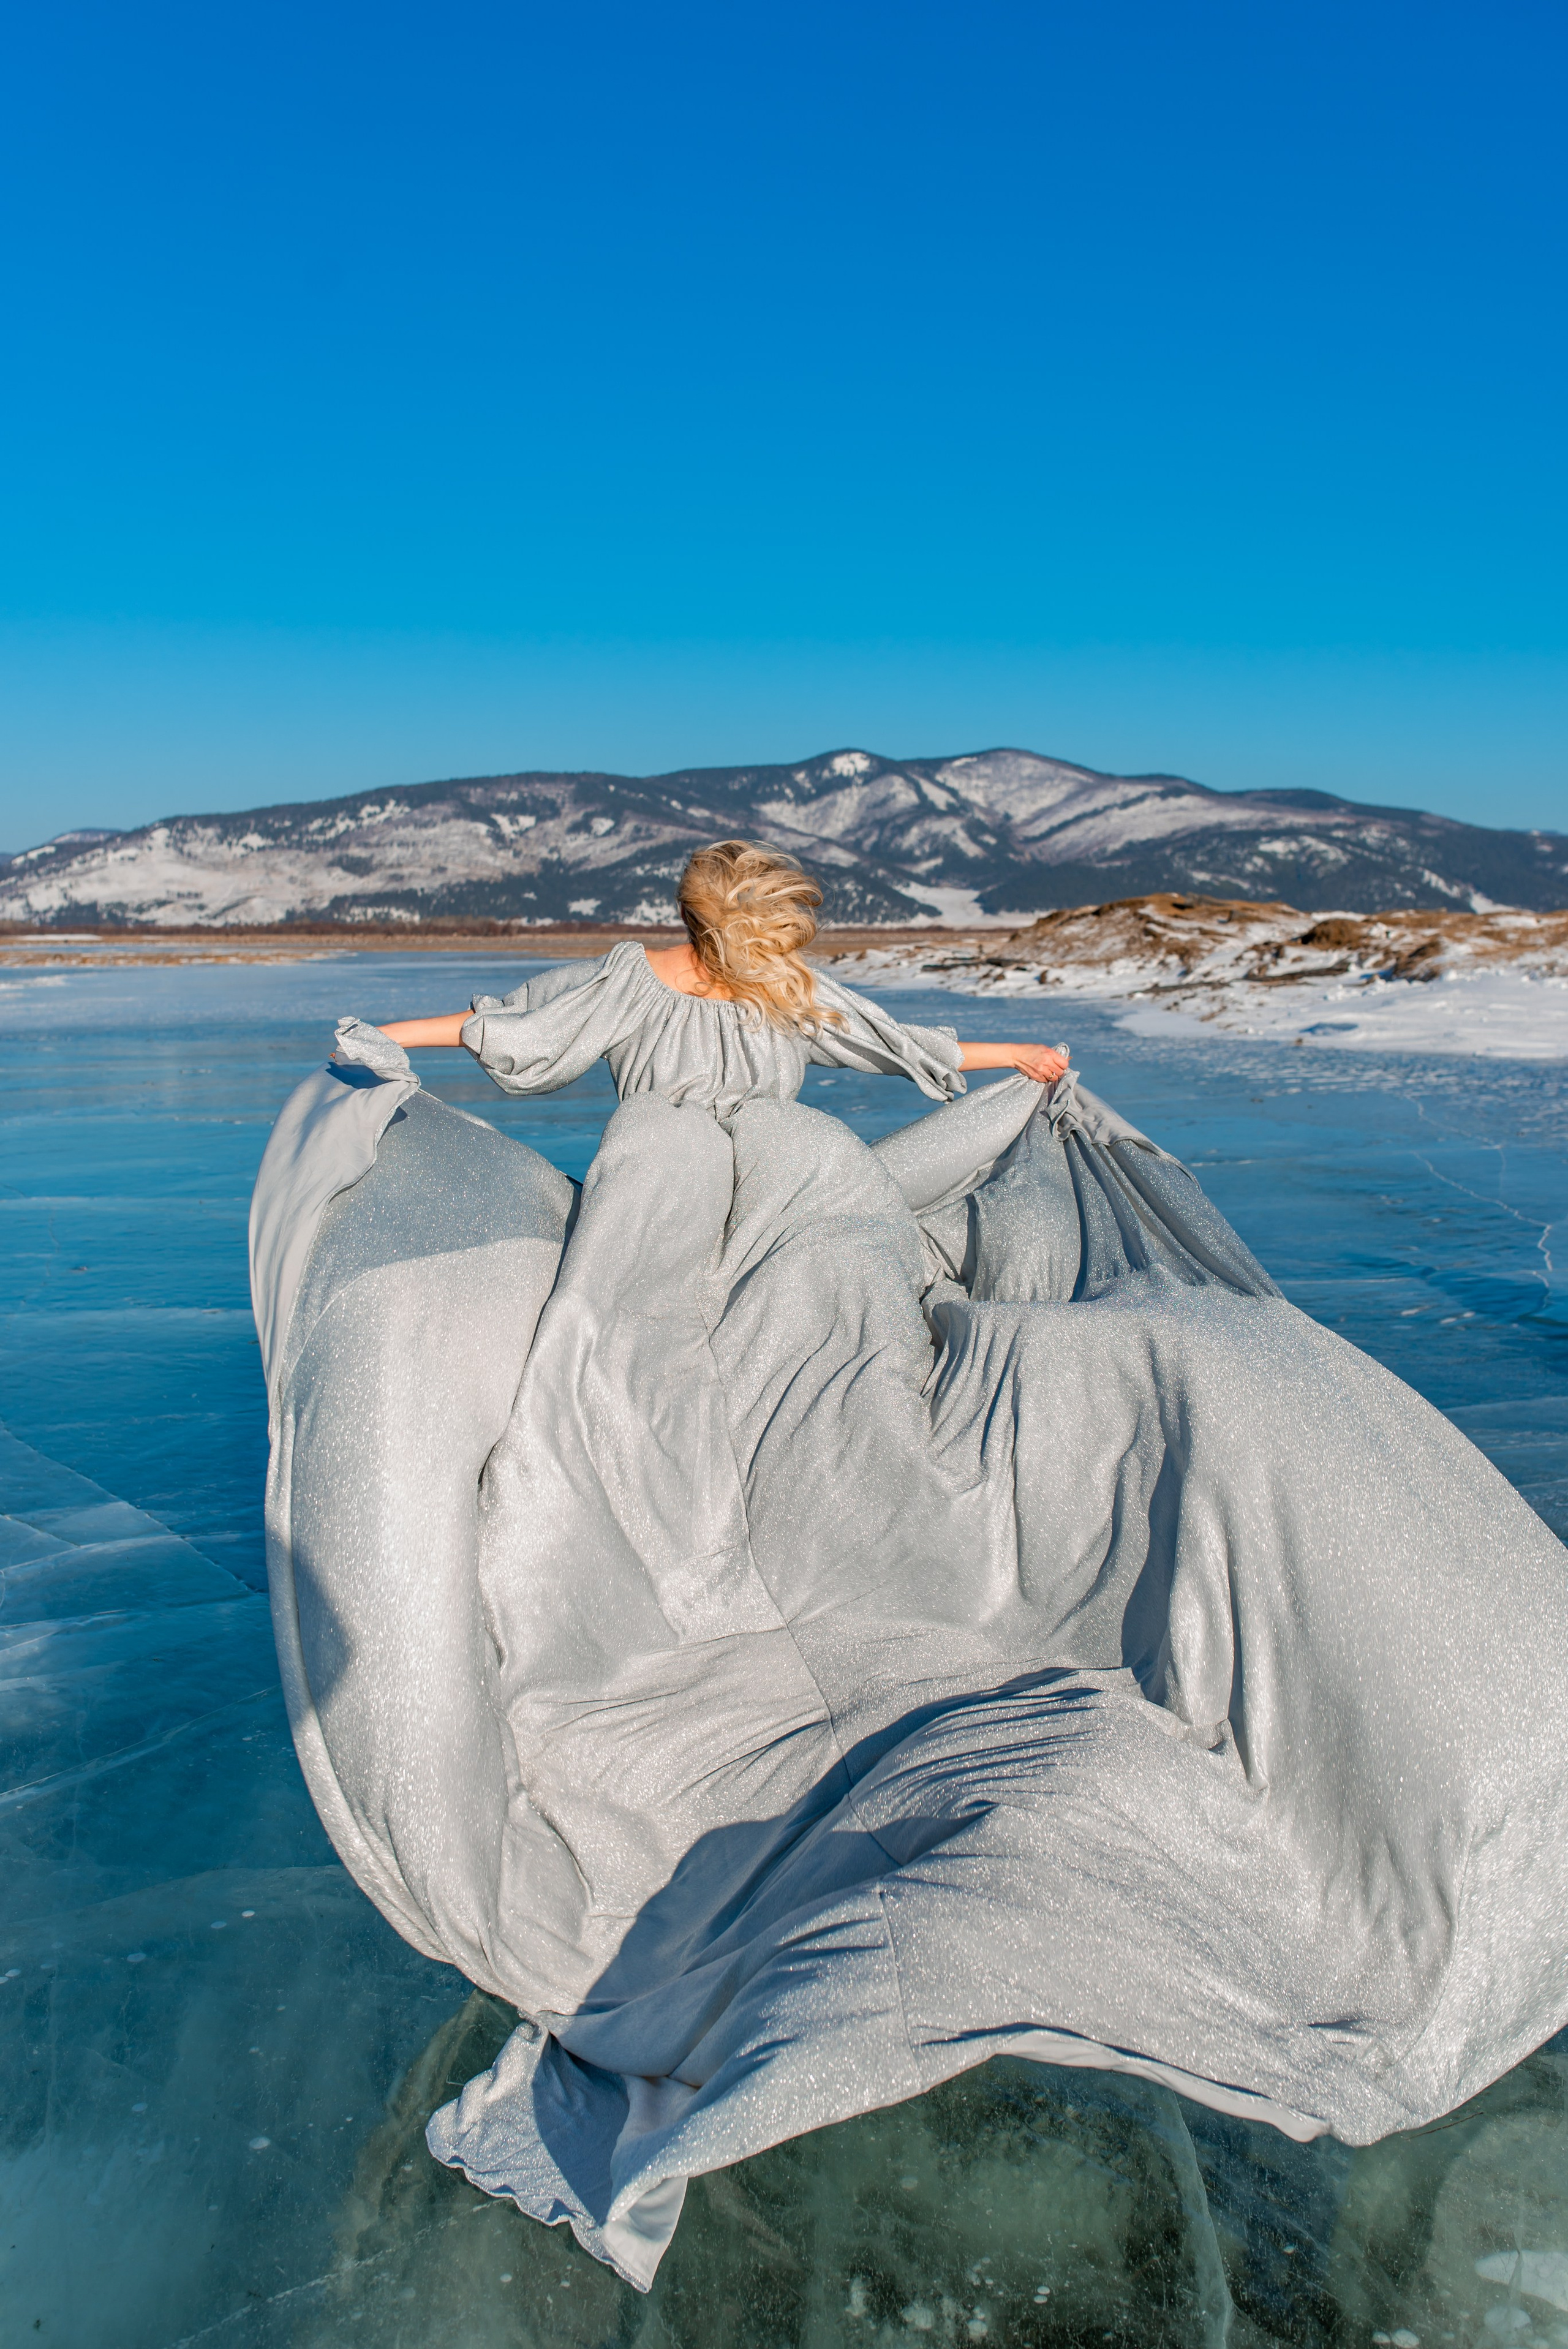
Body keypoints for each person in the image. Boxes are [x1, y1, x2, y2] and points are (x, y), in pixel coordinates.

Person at [252, 835, 1568, 2295]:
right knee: (737, 1406)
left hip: (744, 1236)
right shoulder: (735, 990)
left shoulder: (684, 986)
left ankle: (762, 1532)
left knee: (727, 1405)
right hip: (755, 1233)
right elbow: (877, 1048)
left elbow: (538, 1036)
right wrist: (1025, 1061)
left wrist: (379, 1051)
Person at [356, 837, 1070, 1097]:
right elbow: (514, 1024)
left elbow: (513, 1026)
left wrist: (385, 1036)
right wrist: (1015, 1053)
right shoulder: (779, 990)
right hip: (695, 1205)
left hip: (733, 1201)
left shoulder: (779, 990)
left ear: (687, 914)